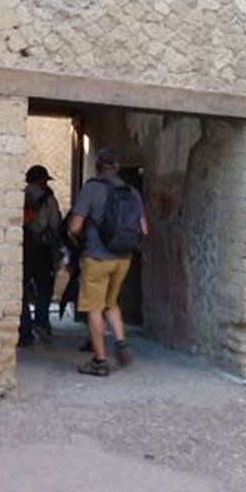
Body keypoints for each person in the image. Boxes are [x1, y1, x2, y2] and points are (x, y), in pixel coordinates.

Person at [68, 148, 148, 376]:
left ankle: (99, 361)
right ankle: (121, 343)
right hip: (123, 258)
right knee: (111, 303)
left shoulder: (91, 188)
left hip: (96, 257)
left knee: (94, 308)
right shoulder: (131, 191)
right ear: (118, 168)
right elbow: (144, 229)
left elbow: (75, 227)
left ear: (97, 166)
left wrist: (78, 239)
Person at [18, 164, 61, 347]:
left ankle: (25, 332)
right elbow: (55, 224)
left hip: (23, 247)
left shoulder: (20, 194)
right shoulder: (49, 198)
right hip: (42, 248)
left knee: (22, 291)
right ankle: (41, 322)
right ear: (41, 179)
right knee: (45, 289)